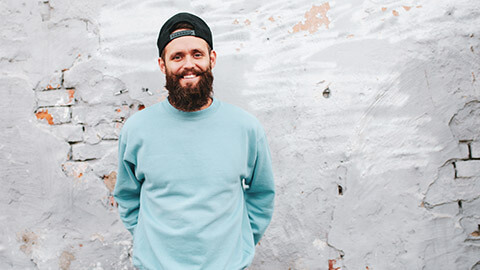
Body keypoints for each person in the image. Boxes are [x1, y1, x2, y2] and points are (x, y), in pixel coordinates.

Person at [113, 12, 275, 270]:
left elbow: (262, 194)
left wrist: (242, 244)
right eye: (177, 56)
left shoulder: (246, 128)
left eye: (197, 54)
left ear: (211, 59)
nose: (189, 64)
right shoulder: (136, 130)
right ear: (162, 64)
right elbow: (127, 196)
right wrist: (149, 242)